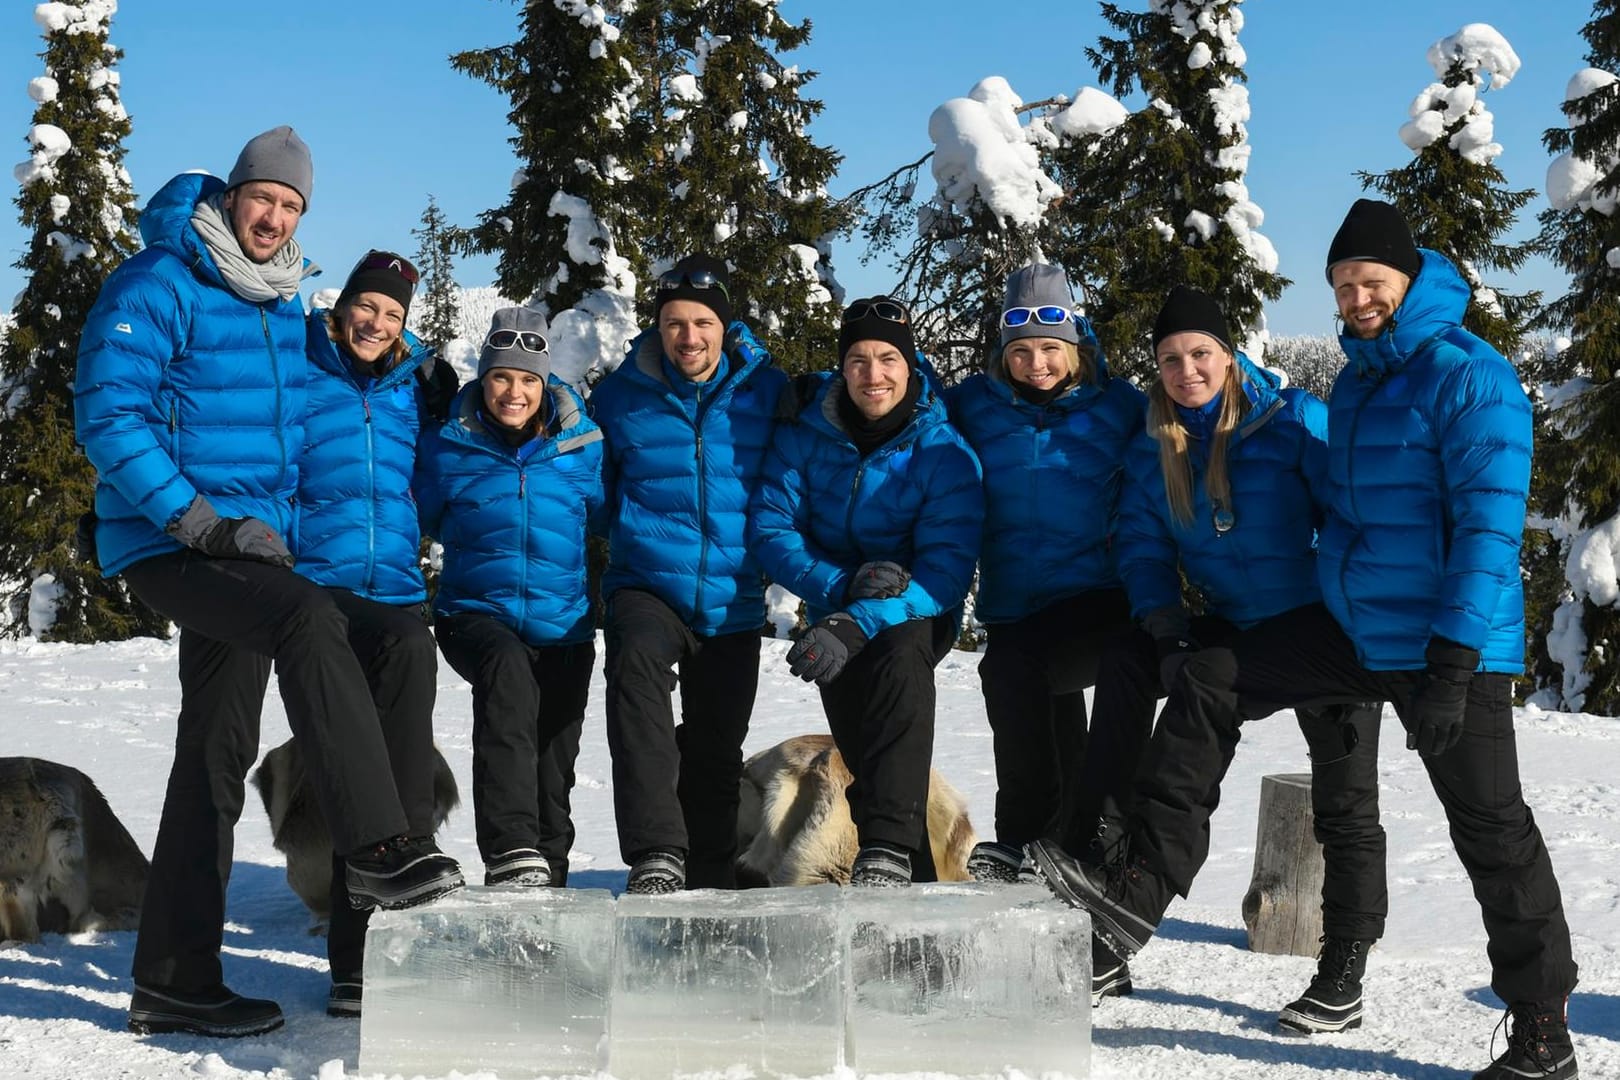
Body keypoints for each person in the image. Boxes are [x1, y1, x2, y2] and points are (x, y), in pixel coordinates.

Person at [1029, 200, 1579, 1079]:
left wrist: (1453, 661)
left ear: (1407, 281)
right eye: (1344, 285)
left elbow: (1487, 532)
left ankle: (1544, 1031)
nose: (1358, 298)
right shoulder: (1359, 379)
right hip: (1352, 630)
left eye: (1374, 282)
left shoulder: (1473, 378)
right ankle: (1130, 904)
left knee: (1491, 830)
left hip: (1448, 648)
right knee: (1209, 676)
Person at [73, 127, 463, 1039]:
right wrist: (194, 518)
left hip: (248, 552)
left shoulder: (280, 309)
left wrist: (423, 390)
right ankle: (375, 848)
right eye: (265, 199)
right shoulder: (157, 282)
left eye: (292, 207)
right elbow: (108, 413)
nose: (274, 216)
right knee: (307, 619)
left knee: (212, 756)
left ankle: (174, 979)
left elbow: (327, 408)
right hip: (172, 541)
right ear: (233, 195)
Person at [1075, 284, 1387, 1024]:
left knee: (1344, 802)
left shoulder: (1292, 426)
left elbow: (1355, 519)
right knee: (1130, 662)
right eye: (1171, 359)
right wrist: (1170, 634)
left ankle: (1343, 967)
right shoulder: (1157, 446)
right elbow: (1147, 552)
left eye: (1201, 353)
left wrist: (1367, 620)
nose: (1187, 370)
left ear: (1228, 354)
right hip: (1233, 627)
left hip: (1321, 630)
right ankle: (1105, 860)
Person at [748, 296, 984, 886]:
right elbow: (771, 527)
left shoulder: (943, 450)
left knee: (900, 660)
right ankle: (916, 877)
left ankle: (882, 854)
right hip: (833, 615)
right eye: (858, 359)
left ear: (910, 366)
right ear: (842, 367)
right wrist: (838, 587)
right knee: (868, 757)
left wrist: (862, 617)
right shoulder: (806, 434)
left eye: (887, 359)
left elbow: (947, 568)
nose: (873, 374)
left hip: (913, 610)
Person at [943, 263, 1147, 886]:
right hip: (1014, 605)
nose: (1037, 365)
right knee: (1035, 703)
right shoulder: (970, 407)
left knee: (1017, 672)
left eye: (1051, 350)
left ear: (1076, 346)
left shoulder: (1119, 406)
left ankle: (1036, 840)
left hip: (1096, 595)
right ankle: (1049, 850)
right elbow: (899, 407)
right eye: (1022, 351)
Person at [591, 254, 787, 893]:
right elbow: (589, 490)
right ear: (658, 327)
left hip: (734, 594)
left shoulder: (766, 392)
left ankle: (708, 882)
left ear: (724, 328)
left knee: (716, 747)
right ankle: (655, 855)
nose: (689, 337)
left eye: (703, 322)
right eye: (675, 323)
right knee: (635, 682)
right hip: (647, 582)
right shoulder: (621, 396)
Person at [296, 250, 453, 1019]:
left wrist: (438, 419)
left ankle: (401, 953)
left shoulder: (406, 392)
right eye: (368, 306)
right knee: (353, 770)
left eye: (392, 314)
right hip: (314, 587)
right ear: (343, 306)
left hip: (393, 592)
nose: (377, 322)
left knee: (401, 765)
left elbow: (421, 486)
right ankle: (354, 962)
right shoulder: (301, 367)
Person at [417, 308, 604, 900]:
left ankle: (546, 885)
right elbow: (414, 516)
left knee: (554, 760)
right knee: (507, 682)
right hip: (475, 613)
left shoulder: (582, 448)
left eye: (528, 379)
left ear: (545, 383)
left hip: (564, 624)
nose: (514, 392)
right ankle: (509, 850)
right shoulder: (450, 444)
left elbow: (611, 515)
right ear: (483, 378)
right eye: (502, 377)